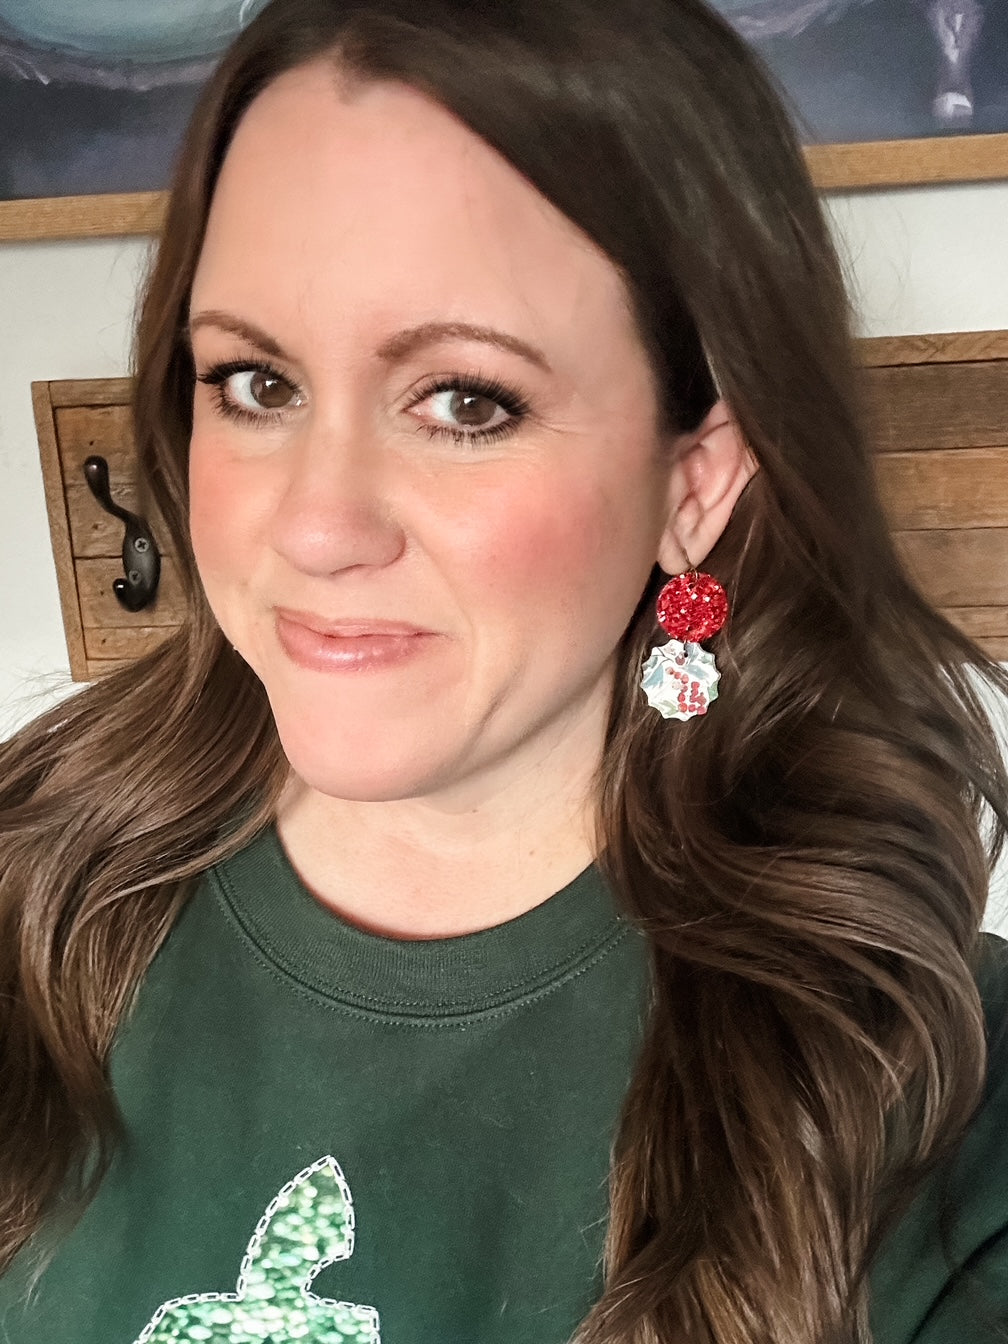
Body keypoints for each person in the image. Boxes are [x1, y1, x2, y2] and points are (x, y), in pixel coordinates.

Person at [2, 1, 1007, 1341]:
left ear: (692, 482)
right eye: (254, 382)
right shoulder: (33, 896)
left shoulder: (930, 1092)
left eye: (465, 401)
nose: (314, 524)